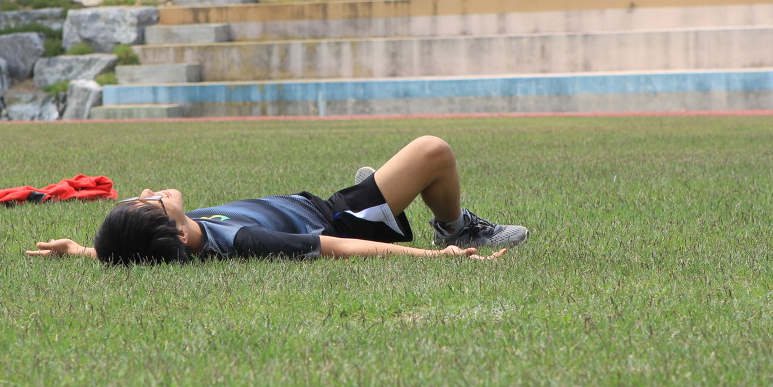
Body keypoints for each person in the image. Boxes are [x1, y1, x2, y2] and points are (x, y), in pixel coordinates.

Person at [27, 135, 528, 266]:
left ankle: (381, 195)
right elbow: (337, 249)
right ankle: (452, 225)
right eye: (152, 202)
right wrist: (436, 259)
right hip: (338, 221)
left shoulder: (164, 238)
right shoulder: (243, 241)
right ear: (177, 230)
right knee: (433, 152)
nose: (147, 193)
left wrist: (82, 250)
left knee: (397, 174)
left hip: (320, 205)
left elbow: (134, 251)